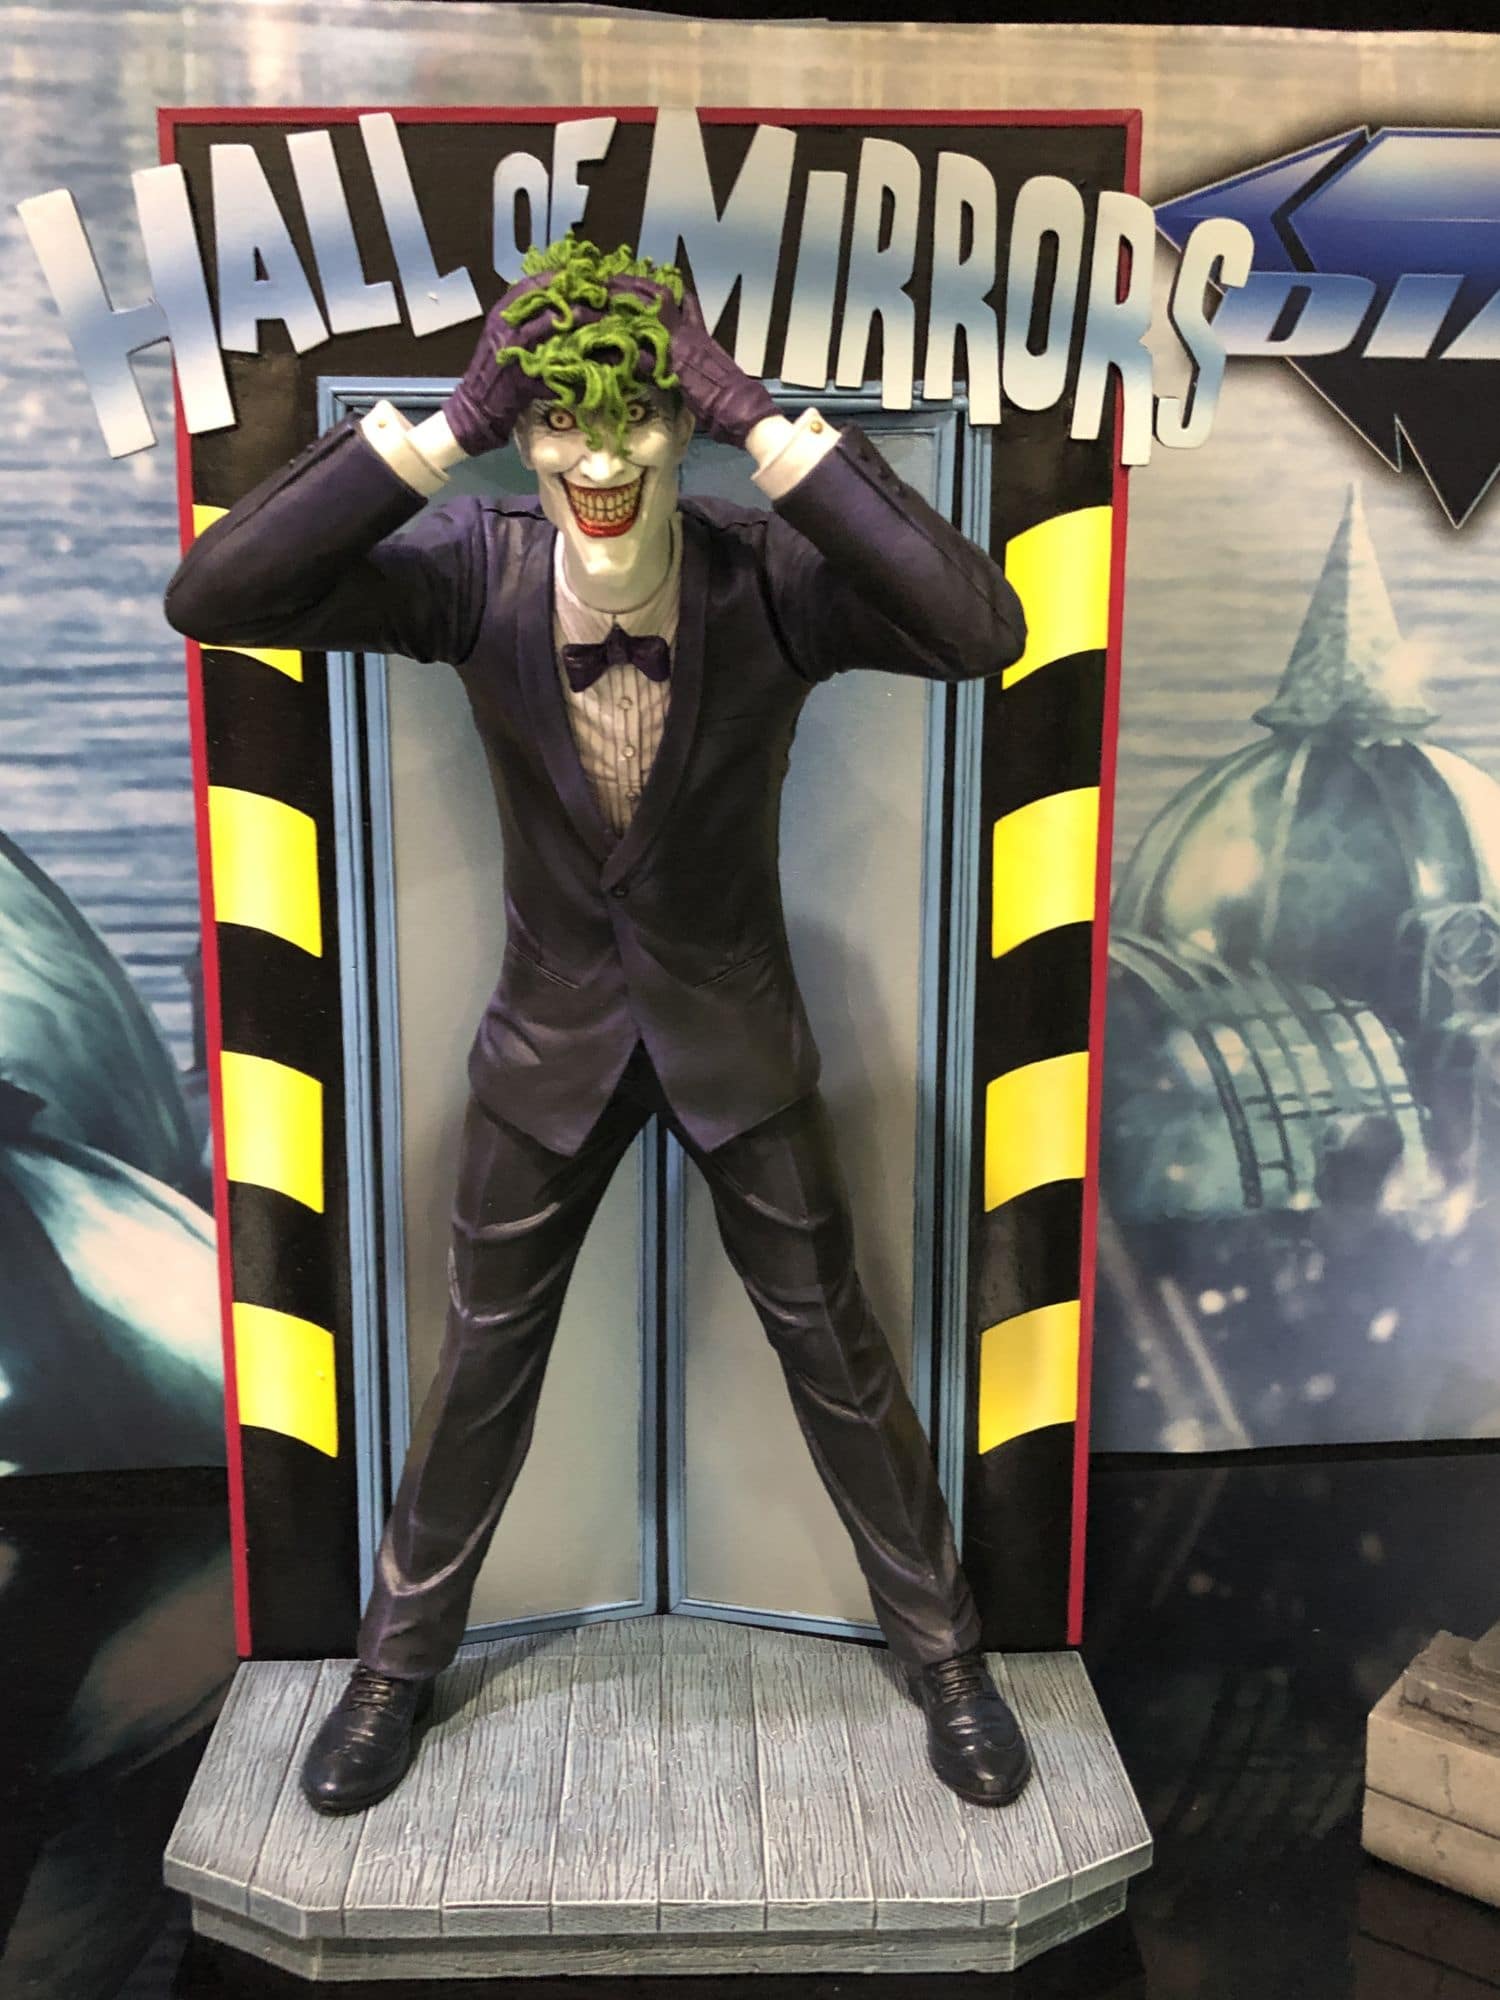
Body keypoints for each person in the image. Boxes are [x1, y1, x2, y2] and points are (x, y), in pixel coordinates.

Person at [165, 236, 1032, 1817]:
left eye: (640, 417)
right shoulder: (472, 566)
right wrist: (451, 422)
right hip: (546, 1048)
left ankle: (948, 1657)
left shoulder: (767, 575)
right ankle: (392, 1669)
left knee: (840, 1362)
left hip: (738, 1044)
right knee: (476, 1379)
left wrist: (757, 411)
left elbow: (981, 628)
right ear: (527, 432)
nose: (603, 459)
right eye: (562, 420)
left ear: (684, 426)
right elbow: (214, 595)